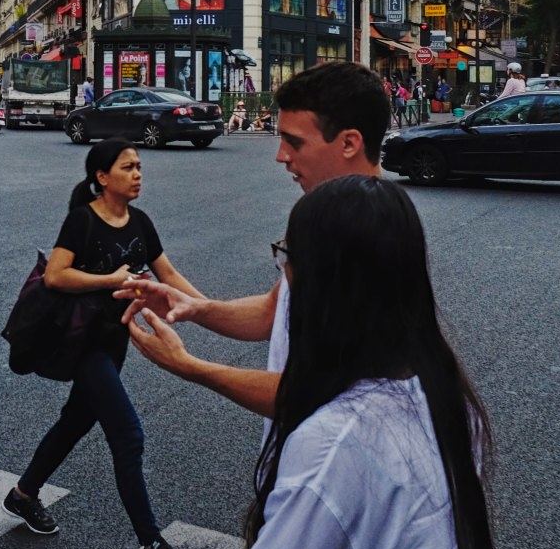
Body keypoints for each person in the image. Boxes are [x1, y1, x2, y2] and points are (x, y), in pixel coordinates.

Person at [229, 176, 507, 549]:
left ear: (324, 284)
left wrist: (185, 363)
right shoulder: (446, 394)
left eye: (289, 256)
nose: (281, 159)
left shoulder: (334, 445)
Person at [112, 61, 389, 419]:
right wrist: (194, 308)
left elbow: (314, 392)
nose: (280, 156)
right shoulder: (328, 214)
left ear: (350, 142)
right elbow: (274, 311)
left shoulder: (368, 234)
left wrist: (189, 366)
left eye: (294, 141)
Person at [4, 138, 201, 549]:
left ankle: (23, 493)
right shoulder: (82, 221)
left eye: (139, 167)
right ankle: (152, 546)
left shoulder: (140, 222)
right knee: (128, 434)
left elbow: (167, 272)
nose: (138, 174)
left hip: (115, 341)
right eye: (128, 167)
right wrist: (108, 278)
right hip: (82, 341)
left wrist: (207, 308)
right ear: (101, 176)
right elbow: (55, 274)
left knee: (77, 420)